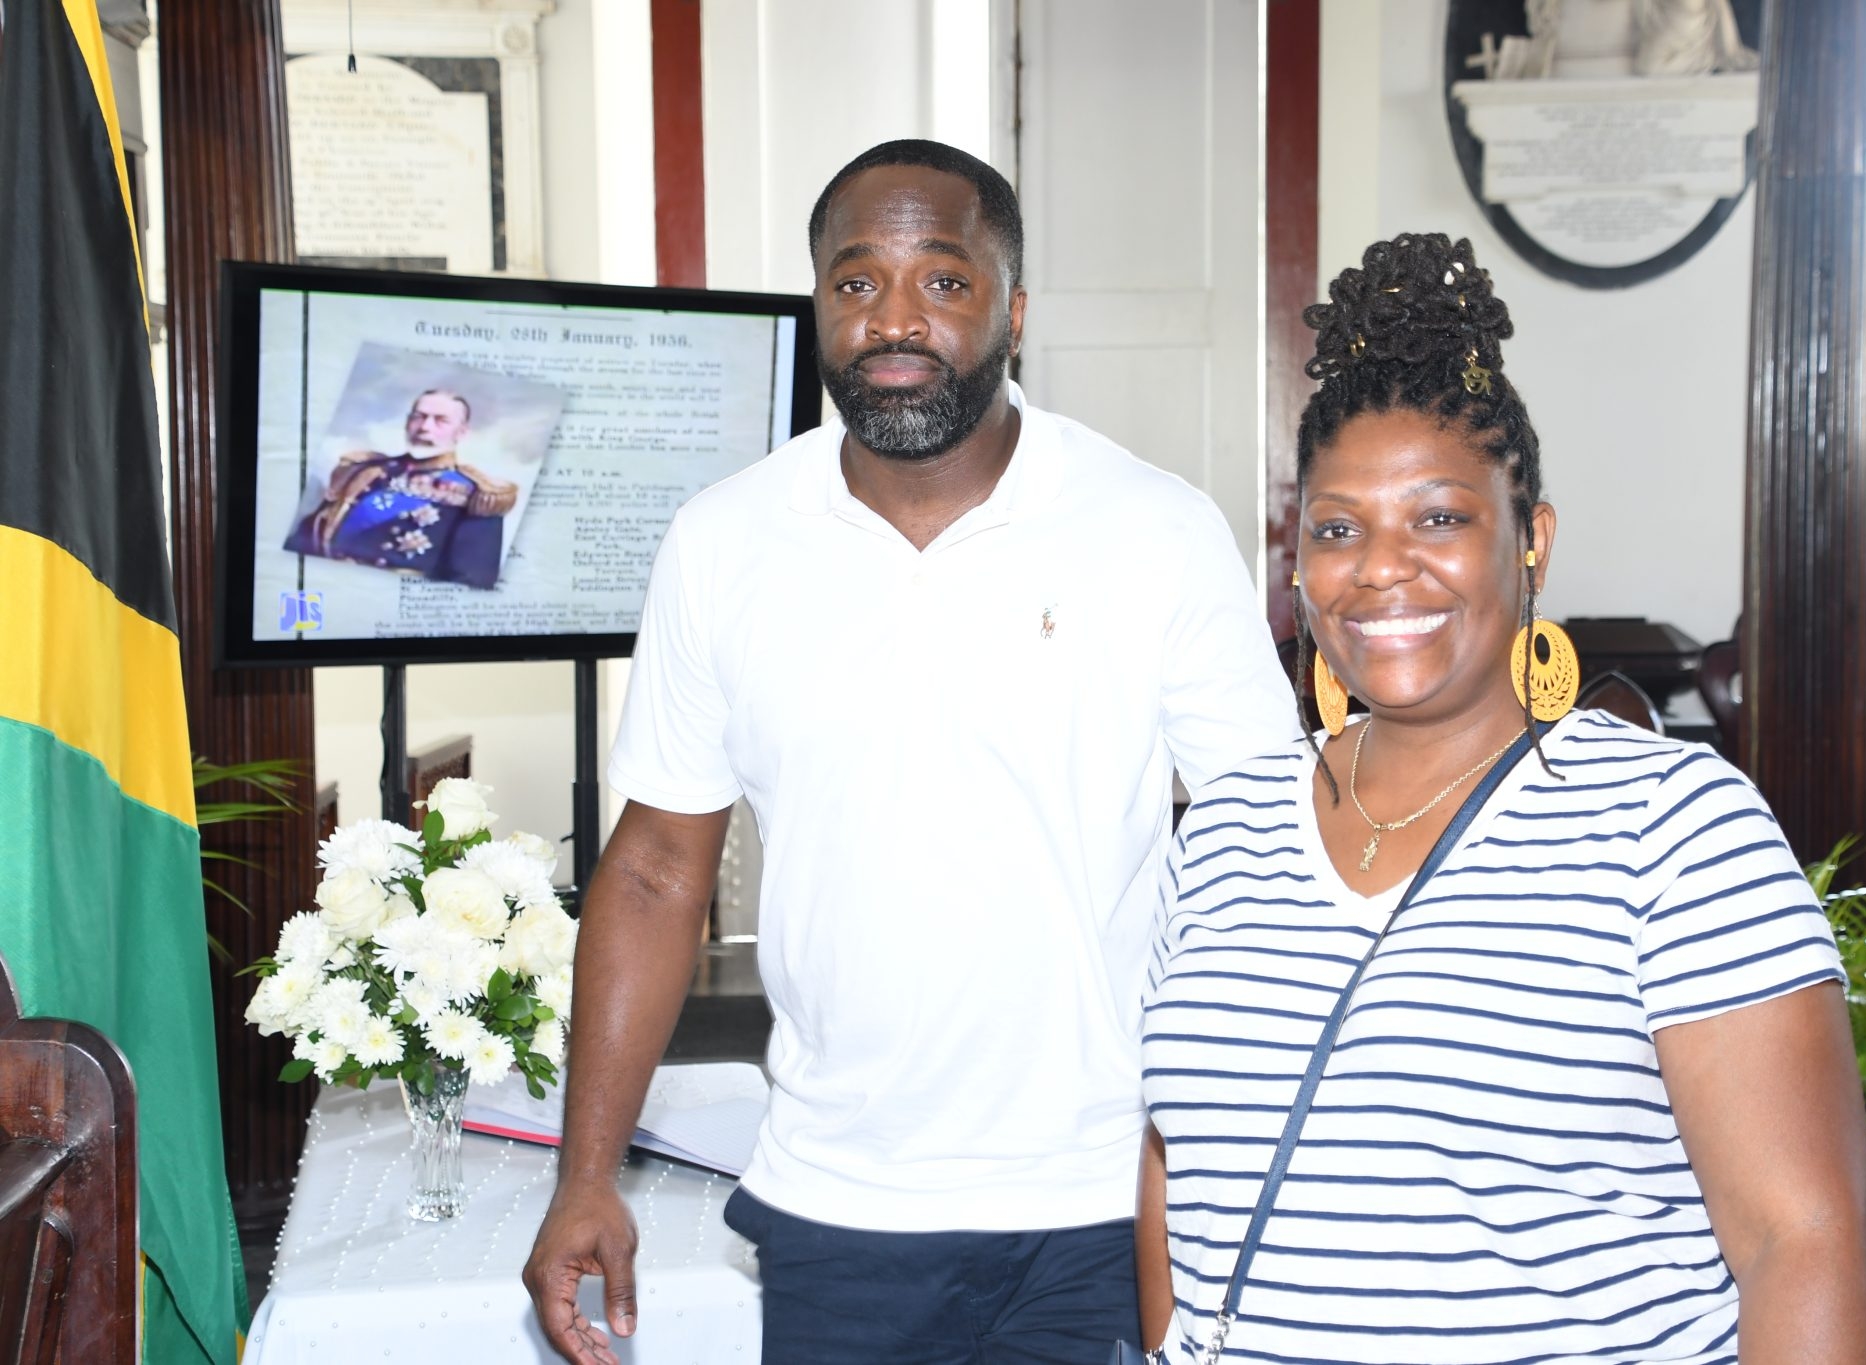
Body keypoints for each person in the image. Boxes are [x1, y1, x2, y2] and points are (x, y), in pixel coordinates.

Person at [523, 139, 1299, 1364]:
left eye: (941, 281)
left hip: (1104, 1197)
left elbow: (1273, 851)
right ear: (816, 306)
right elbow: (656, 870)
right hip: (840, 1205)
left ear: (1012, 310)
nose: (893, 319)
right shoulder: (724, 542)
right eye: (853, 282)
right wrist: (583, 1176)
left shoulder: (1152, 528)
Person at [1135, 233, 1866, 1363]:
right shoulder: (1225, 833)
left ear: (1529, 539)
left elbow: (1800, 1242)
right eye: (1337, 528)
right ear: (1296, 563)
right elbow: (1172, 1164)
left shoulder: (1673, 831)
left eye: (1438, 518)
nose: (1381, 568)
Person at [283, 388, 516, 588]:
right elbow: (306, 539)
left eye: (440, 420)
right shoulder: (362, 471)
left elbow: (471, 579)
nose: (425, 427)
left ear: (462, 432)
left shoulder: (477, 494)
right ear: (407, 422)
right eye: (418, 417)